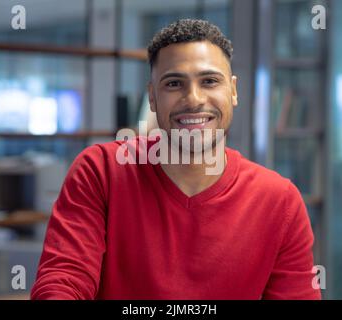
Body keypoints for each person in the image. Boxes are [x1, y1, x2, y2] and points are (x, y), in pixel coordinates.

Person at [31, 19, 321, 300]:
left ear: (233, 90)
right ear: (152, 97)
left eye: (209, 81)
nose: (194, 99)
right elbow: (63, 279)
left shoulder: (279, 201)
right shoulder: (101, 171)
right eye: (173, 84)